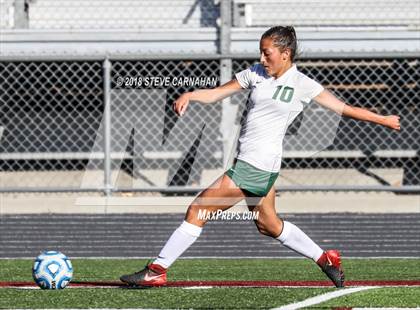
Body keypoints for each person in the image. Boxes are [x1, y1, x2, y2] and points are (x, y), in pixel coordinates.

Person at [120, 26, 401, 288]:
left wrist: (384, 119)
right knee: (269, 225)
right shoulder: (255, 73)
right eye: (261, 52)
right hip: (259, 165)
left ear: (285, 54)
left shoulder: (303, 84)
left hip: (256, 164)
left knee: (197, 210)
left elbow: (344, 109)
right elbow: (218, 93)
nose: (262, 58)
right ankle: (324, 258)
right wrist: (191, 95)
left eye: (267, 53)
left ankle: (156, 270)